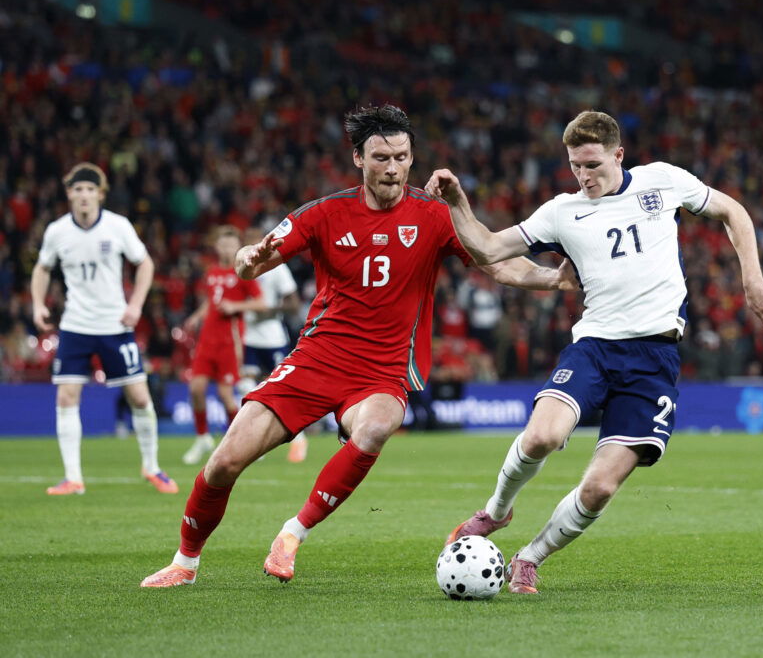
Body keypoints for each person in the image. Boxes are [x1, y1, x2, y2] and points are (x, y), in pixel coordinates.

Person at [141, 104, 576, 587]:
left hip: (383, 371)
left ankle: (292, 534)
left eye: (402, 157)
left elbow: (496, 263)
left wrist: (551, 280)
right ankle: (185, 562)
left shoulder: (433, 216)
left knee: (375, 428)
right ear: (358, 159)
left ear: (412, 159)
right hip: (317, 358)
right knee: (224, 461)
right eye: (381, 157)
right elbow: (252, 262)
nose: (392, 168)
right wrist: (246, 260)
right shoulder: (324, 213)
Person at [432, 110, 763, 594]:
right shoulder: (562, 211)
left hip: (655, 360)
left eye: (593, 165)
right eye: (576, 165)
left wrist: (752, 280)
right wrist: (458, 202)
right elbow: (490, 249)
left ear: (619, 155)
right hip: (595, 346)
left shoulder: (662, 181)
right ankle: (495, 511)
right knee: (541, 437)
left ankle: (529, 558)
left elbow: (734, 212)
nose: (584, 176)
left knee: (599, 488)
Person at [30, 162, 178, 495]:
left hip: (114, 324)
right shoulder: (57, 231)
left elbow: (145, 263)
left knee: (140, 397)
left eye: (89, 190)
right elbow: (41, 268)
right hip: (75, 325)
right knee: (67, 396)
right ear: (69, 194)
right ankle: (73, 478)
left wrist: (136, 305)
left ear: (101, 194)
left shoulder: (117, 226)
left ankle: (152, 468)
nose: (83, 196)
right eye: (77, 189)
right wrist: (38, 303)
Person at [181, 226, 267, 465]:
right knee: (196, 389)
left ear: (237, 246)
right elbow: (213, 301)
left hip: (230, 342)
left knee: (225, 394)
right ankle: (202, 438)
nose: (227, 248)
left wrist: (236, 307)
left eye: (232, 244)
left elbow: (261, 303)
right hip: (207, 340)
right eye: (223, 244)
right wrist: (198, 316)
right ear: (216, 246)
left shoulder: (244, 271)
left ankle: (242, 443)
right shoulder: (212, 272)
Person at [236, 227, 307, 462]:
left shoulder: (277, 268)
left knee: (280, 388)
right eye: (246, 239)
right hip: (248, 337)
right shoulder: (241, 267)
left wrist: (270, 310)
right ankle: (251, 440)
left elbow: (294, 304)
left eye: (253, 238)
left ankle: (299, 439)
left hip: (273, 337)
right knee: (246, 385)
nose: (250, 242)